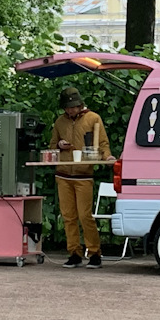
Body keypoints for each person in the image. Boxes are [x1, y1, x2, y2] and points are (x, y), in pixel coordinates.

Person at [49, 86, 115, 269]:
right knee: (68, 216)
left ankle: (94, 253)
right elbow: (52, 144)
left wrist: (106, 156)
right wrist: (59, 145)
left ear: (80, 105)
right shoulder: (59, 122)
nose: (70, 110)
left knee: (85, 215)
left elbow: (102, 143)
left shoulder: (93, 118)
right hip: (63, 173)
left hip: (84, 174)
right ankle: (74, 253)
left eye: (73, 107)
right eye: (67, 107)